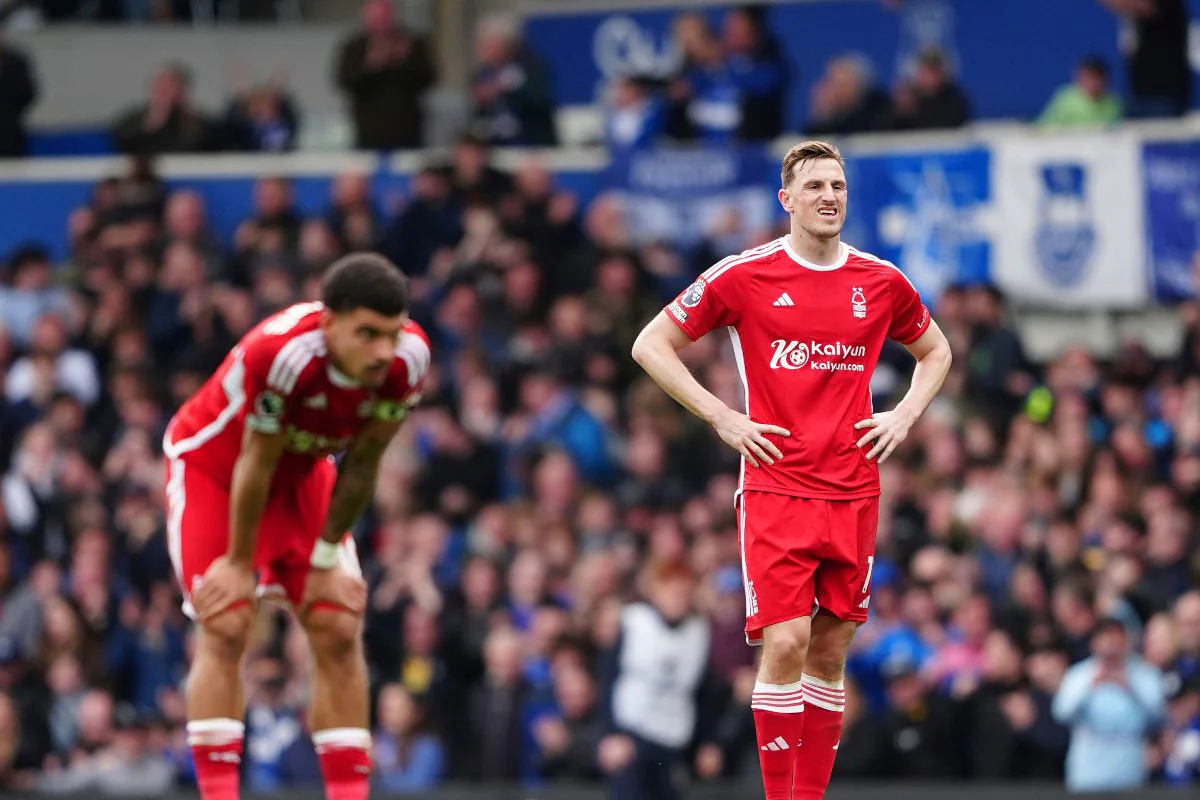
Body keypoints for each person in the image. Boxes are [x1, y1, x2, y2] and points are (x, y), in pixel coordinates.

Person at [631, 140, 953, 799]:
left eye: (837, 185)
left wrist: (905, 414)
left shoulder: (880, 281)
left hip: (855, 489)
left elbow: (936, 349)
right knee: (785, 645)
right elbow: (651, 344)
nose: (830, 196)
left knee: (831, 653)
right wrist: (722, 416)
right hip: (777, 485)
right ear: (787, 200)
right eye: (815, 187)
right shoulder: (744, 275)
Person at [161, 252, 431, 800]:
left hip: (304, 472)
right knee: (228, 620)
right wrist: (239, 565)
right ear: (329, 322)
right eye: (368, 334)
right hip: (216, 468)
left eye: (393, 332)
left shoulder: (410, 360)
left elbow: (364, 462)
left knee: (337, 625)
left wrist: (328, 556)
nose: (383, 351)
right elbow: (253, 464)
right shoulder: (281, 354)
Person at [1052, 616, 1166, 792]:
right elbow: (1061, 713)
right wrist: (1090, 686)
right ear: (1094, 642)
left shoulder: (1144, 673)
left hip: (1129, 762)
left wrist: (1131, 688)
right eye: (1105, 639)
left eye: (1116, 639)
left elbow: (1159, 716)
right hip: (1088, 766)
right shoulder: (1079, 674)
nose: (1111, 646)